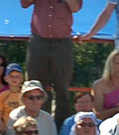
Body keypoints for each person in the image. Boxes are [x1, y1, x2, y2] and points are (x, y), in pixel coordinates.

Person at [23, 0, 80, 128]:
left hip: (62, 43)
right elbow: (24, 3)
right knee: (35, 87)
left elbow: (76, 7)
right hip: (39, 42)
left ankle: (61, 129)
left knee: (62, 88)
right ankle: (34, 127)